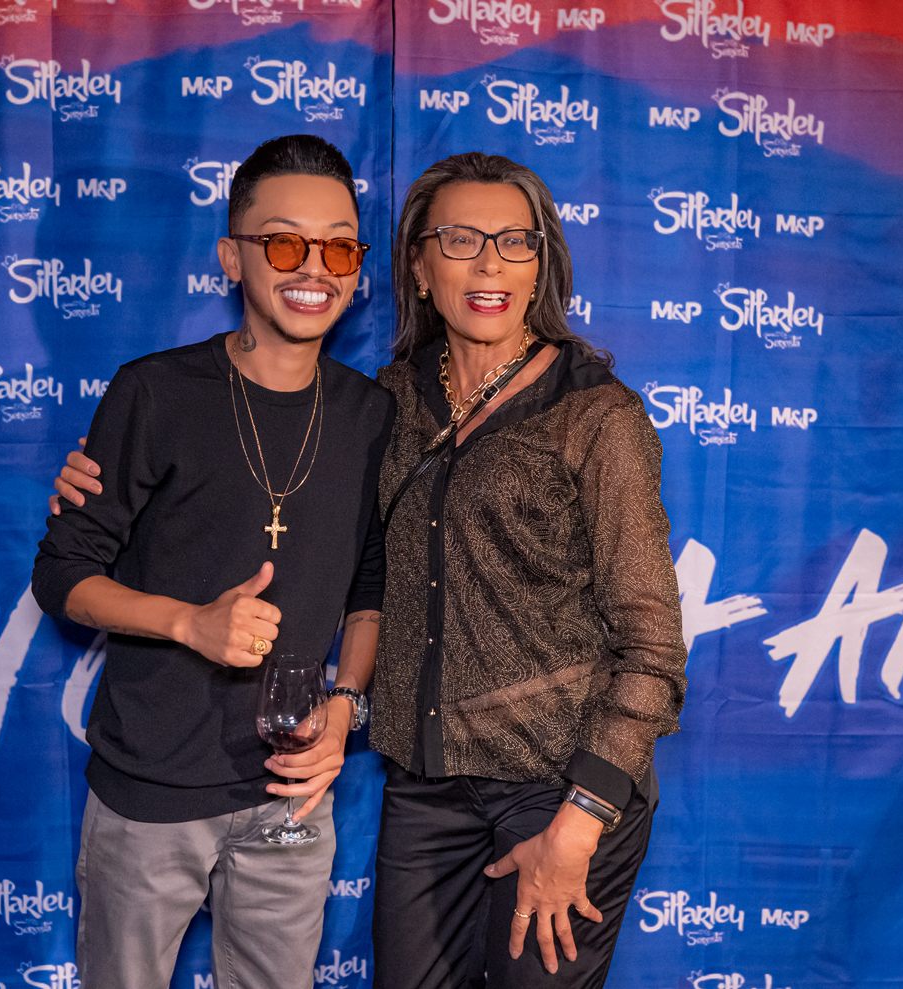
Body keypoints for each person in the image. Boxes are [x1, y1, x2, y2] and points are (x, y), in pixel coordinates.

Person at [55, 151, 687, 988]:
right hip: (422, 790)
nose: (489, 263)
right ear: (418, 267)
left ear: (541, 264)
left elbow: (651, 646)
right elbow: (367, 569)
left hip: (555, 786)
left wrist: (582, 816)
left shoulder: (589, 414)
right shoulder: (392, 402)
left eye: (515, 241)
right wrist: (107, 481)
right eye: (460, 240)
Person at [31, 134, 390, 989]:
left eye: (339, 247)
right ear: (233, 257)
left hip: (293, 792)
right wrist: (189, 622)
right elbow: (62, 574)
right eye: (284, 243)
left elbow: (372, 587)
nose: (315, 267)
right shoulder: (154, 392)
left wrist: (345, 706)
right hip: (149, 790)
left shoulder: (371, 414)